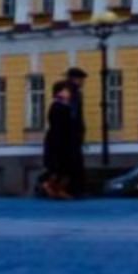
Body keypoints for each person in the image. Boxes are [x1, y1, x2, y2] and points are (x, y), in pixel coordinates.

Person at [41, 70, 88, 200]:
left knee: (70, 167)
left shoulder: (71, 101)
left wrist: (79, 133)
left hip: (69, 140)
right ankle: (50, 186)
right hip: (60, 141)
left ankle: (60, 189)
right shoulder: (57, 106)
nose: (67, 94)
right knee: (60, 167)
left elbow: (76, 120)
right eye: (65, 92)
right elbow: (58, 126)